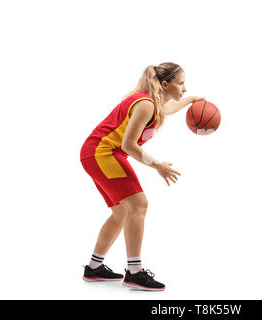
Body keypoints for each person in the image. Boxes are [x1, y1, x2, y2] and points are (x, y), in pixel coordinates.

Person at [79, 62, 204, 291]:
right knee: (139, 204)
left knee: (121, 212)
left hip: (95, 153)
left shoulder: (151, 102)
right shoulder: (146, 104)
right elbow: (128, 144)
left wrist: (192, 100)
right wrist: (158, 165)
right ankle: (134, 272)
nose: (184, 88)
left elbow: (168, 109)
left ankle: (94, 267)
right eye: (182, 84)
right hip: (102, 153)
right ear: (165, 84)